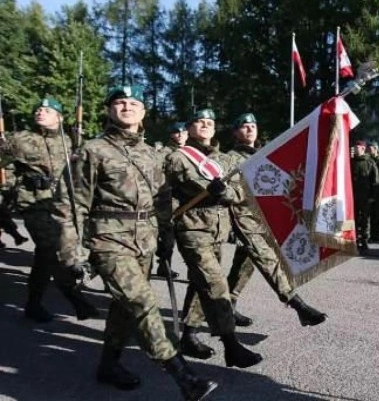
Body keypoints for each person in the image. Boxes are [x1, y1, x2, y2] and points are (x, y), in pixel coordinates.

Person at [54, 86, 217, 399]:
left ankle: (108, 365)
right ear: (108, 110)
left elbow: (163, 200)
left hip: (145, 241)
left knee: (124, 308)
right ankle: (183, 376)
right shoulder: (92, 150)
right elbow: (70, 205)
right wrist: (70, 253)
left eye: (133, 102)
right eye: (119, 102)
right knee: (142, 302)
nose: (126, 106)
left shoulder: (151, 153)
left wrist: (166, 242)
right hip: (109, 241)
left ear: (143, 113)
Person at [166, 108, 263, 368]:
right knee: (214, 282)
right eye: (200, 122)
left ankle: (188, 334)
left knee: (200, 284)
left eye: (210, 122)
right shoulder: (178, 157)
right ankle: (232, 346)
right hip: (191, 227)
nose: (206, 125)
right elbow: (167, 194)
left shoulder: (221, 159)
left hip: (217, 228)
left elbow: (239, 191)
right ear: (189, 128)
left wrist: (227, 193)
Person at [220, 112, 328, 326]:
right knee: (267, 260)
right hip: (244, 218)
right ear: (235, 132)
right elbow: (228, 191)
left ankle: (228, 305)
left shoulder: (264, 154)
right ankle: (297, 304)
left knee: (245, 264)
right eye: (244, 126)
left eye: (253, 125)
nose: (250, 129)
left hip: (264, 219)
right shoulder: (228, 159)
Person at [1, 97, 97, 322]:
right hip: (35, 203)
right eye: (38, 109)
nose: (40, 112)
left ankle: (37, 303)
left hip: (65, 203)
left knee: (52, 253)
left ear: (59, 117)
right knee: (50, 249)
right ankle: (73, 300)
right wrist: (11, 183)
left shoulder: (71, 140)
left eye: (47, 110)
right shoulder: (21, 139)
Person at [154, 122, 188, 280]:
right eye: (176, 132)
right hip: (167, 201)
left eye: (183, 132)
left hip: (186, 201)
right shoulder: (164, 153)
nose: (180, 134)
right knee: (167, 237)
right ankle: (164, 265)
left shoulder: (191, 152)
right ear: (171, 135)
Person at [351, 139, 379, 251]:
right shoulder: (351, 161)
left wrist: (372, 196)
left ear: (363, 148)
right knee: (354, 219)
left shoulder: (370, 162)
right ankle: (355, 239)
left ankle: (364, 240)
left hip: (366, 196)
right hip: (353, 196)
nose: (355, 149)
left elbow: (375, 181)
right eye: (355, 148)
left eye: (357, 148)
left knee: (365, 219)